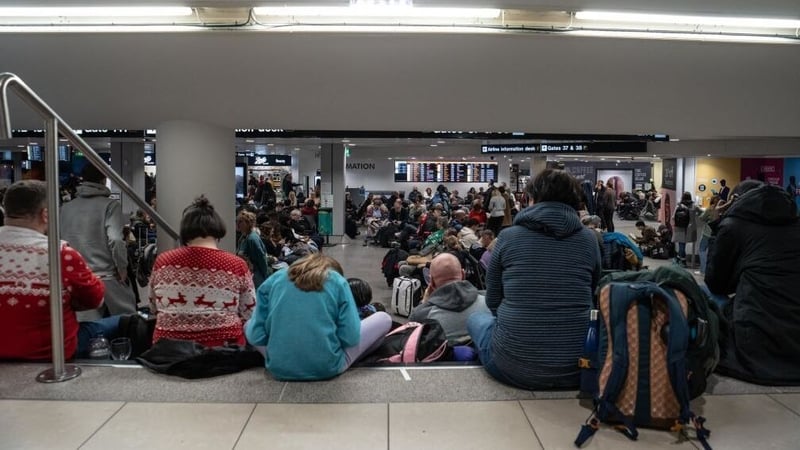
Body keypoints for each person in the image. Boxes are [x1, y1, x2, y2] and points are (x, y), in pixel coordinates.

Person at [467, 169, 601, 390]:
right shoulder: (589, 239)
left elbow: (492, 301)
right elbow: (594, 290)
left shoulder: (508, 237)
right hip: (578, 367)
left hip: (511, 366)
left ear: (532, 198)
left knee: (475, 318)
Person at [0, 180, 117, 360]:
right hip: (51, 353)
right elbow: (96, 299)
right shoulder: (60, 254)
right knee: (123, 322)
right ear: (45, 215)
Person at [705, 181, 800, 385]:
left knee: (704, 293)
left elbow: (716, 283)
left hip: (757, 334)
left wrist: (718, 224)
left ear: (735, 200)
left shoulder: (733, 226)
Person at [245, 254, 392, 381]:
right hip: (327, 368)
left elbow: (256, 336)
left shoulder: (275, 279)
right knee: (383, 318)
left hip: (278, 368)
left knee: (248, 324)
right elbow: (350, 337)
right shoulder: (337, 281)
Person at [149, 196, 256, 347]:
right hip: (223, 351)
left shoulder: (162, 262)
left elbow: (153, 307)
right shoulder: (237, 265)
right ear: (218, 230)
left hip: (169, 351)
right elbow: (250, 313)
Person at [60, 163, 136, 319]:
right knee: (125, 323)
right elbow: (115, 239)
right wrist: (122, 268)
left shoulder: (66, 208)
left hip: (78, 278)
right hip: (108, 278)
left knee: (86, 330)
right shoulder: (110, 205)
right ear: (103, 180)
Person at [409, 253, 490, 345]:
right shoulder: (489, 300)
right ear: (463, 275)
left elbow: (413, 345)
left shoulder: (421, 314)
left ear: (431, 282)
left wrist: (424, 303)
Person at [236, 210, 270, 288]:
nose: (237, 224)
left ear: (248, 223)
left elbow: (261, 259)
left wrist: (265, 275)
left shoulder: (252, 239)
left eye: (241, 222)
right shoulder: (243, 237)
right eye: (237, 221)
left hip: (256, 276)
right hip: (246, 274)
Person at [672, 191, 701, 267]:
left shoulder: (679, 206)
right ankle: (680, 259)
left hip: (680, 227)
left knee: (681, 244)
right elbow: (701, 213)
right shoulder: (694, 206)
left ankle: (682, 260)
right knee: (683, 244)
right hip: (690, 228)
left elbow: (673, 217)